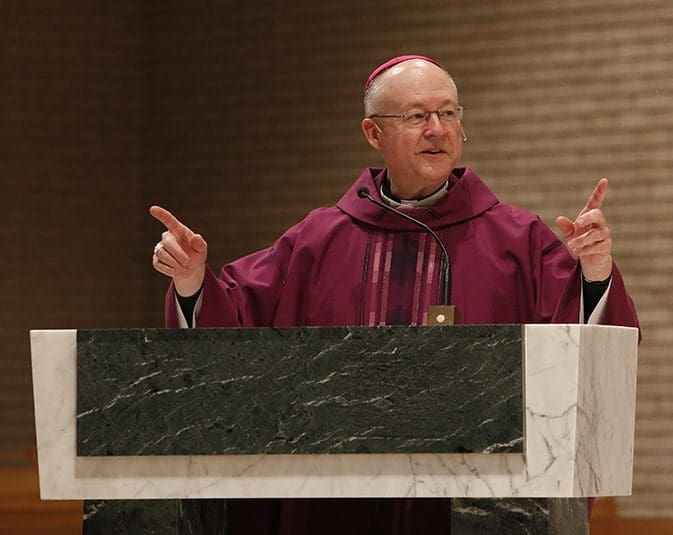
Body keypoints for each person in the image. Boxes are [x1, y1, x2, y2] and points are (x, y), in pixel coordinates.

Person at [150, 55, 639, 534]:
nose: (437, 129)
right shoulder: (318, 241)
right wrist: (192, 280)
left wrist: (595, 269)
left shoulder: (518, 239)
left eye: (448, 113)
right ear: (373, 133)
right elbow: (235, 322)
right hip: (336, 504)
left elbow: (585, 350)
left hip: (474, 506)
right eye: (416, 116)